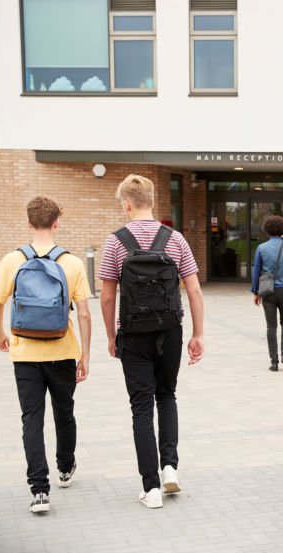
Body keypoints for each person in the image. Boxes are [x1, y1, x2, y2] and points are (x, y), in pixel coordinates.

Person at [99, 174, 204, 510]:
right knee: (167, 394)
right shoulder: (175, 240)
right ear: (153, 202)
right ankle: (170, 466)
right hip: (170, 331)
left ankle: (151, 487)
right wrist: (198, 334)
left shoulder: (116, 242)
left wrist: (110, 335)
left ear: (126, 204)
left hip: (132, 333)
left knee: (141, 407)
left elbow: (105, 296)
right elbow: (194, 289)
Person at [0, 196, 92, 513]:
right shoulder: (72, 263)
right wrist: (84, 356)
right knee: (65, 413)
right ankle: (65, 467)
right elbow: (85, 315)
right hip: (63, 352)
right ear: (56, 222)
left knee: (31, 420)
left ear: (29, 222)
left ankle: (39, 491)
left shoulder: (12, 261)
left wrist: (2, 337)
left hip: (24, 354)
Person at [251, 215, 283, 372]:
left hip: (267, 291)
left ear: (267, 230)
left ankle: (274, 362)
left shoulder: (261, 248)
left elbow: (256, 271)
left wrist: (255, 291)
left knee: (271, 326)